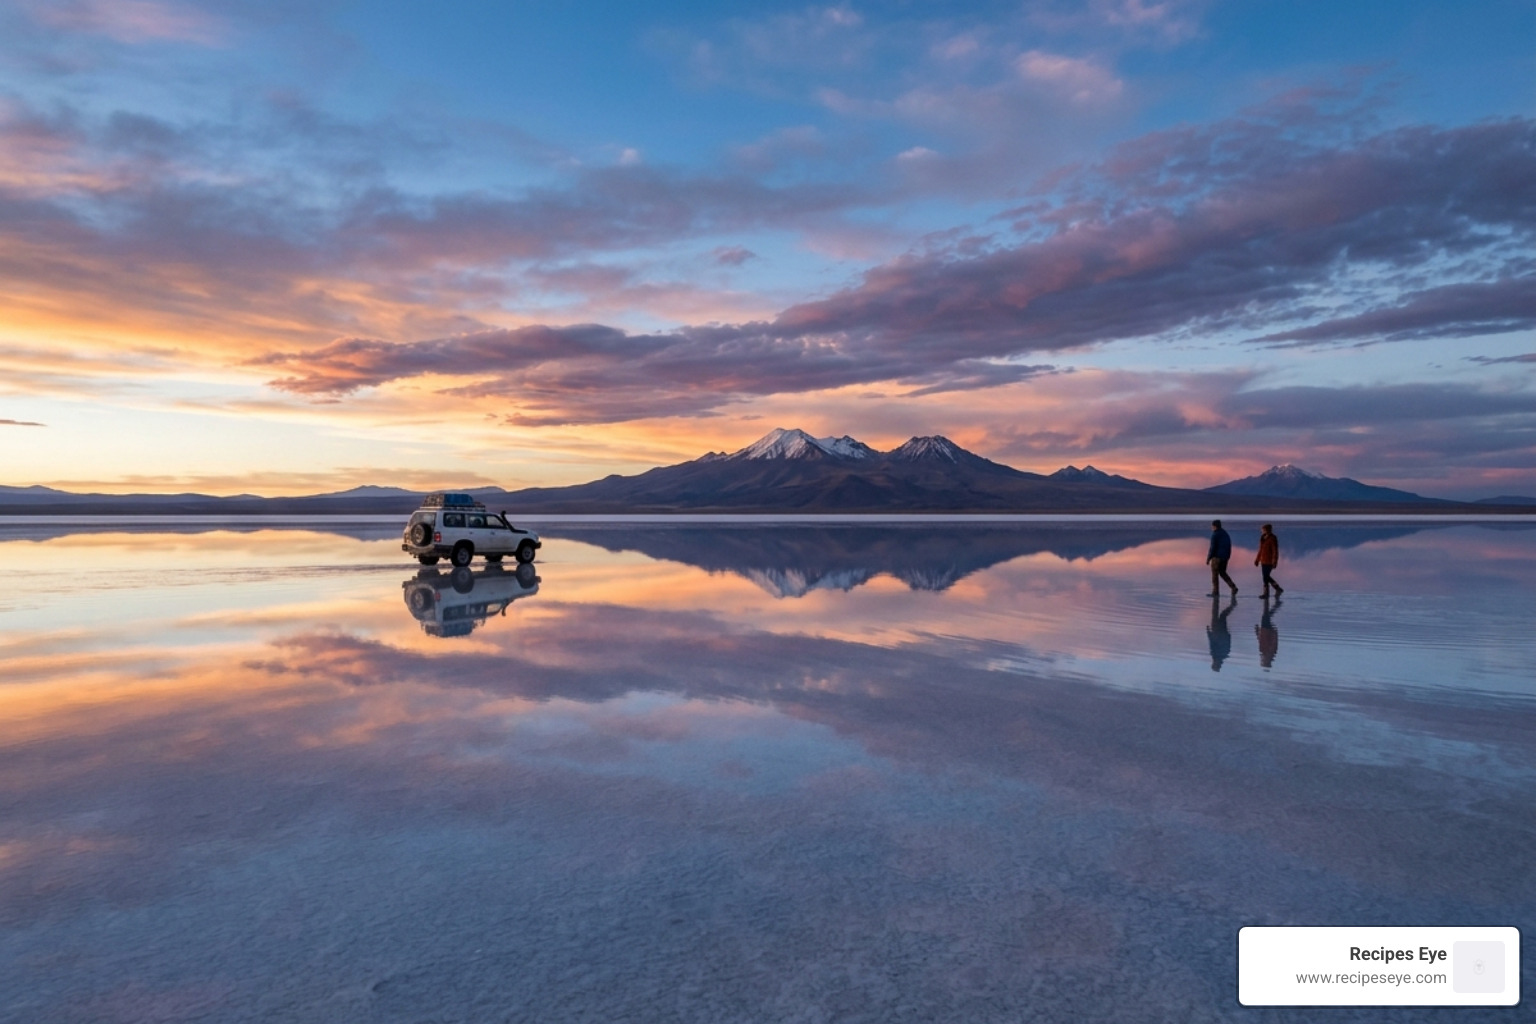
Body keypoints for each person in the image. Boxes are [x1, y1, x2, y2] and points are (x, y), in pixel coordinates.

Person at [1206, 519, 1237, 597]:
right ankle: (1233, 587)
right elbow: (1229, 546)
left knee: (1215, 575)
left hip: (1217, 558)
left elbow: (1213, 548)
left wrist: (1208, 558)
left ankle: (1215, 592)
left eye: (1212, 526)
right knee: (1222, 573)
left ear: (1214, 526)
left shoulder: (1215, 534)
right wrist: (1227, 557)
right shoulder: (1225, 533)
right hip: (1225, 557)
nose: (1211, 527)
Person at [1254, 523, 1284, 597]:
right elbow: (1260, 550)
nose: (1262, 531)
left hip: (1269, 561)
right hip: (1263, 560)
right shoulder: (1262, 538)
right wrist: (1257, 559)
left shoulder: (1272, 538)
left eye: (1263, 530)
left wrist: (1274, 561)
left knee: (1266, 577)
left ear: (1267, 530)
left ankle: (1267, 593)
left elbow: (1275, 551)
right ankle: (1277, 588)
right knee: (1266, 577)